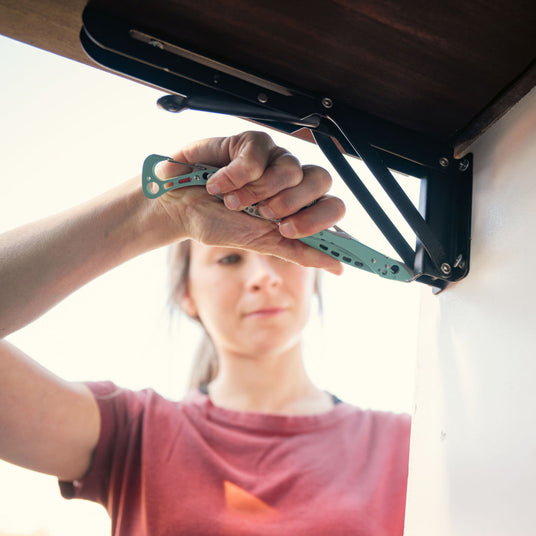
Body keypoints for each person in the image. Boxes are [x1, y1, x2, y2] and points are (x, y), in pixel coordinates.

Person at [0, 131, 410, 535]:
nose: (262, 278)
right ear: (186, 294)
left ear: (313, 273)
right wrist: (157, 210)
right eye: (230, 259)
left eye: (281, 254)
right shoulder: (135, 435)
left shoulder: (407, 446)